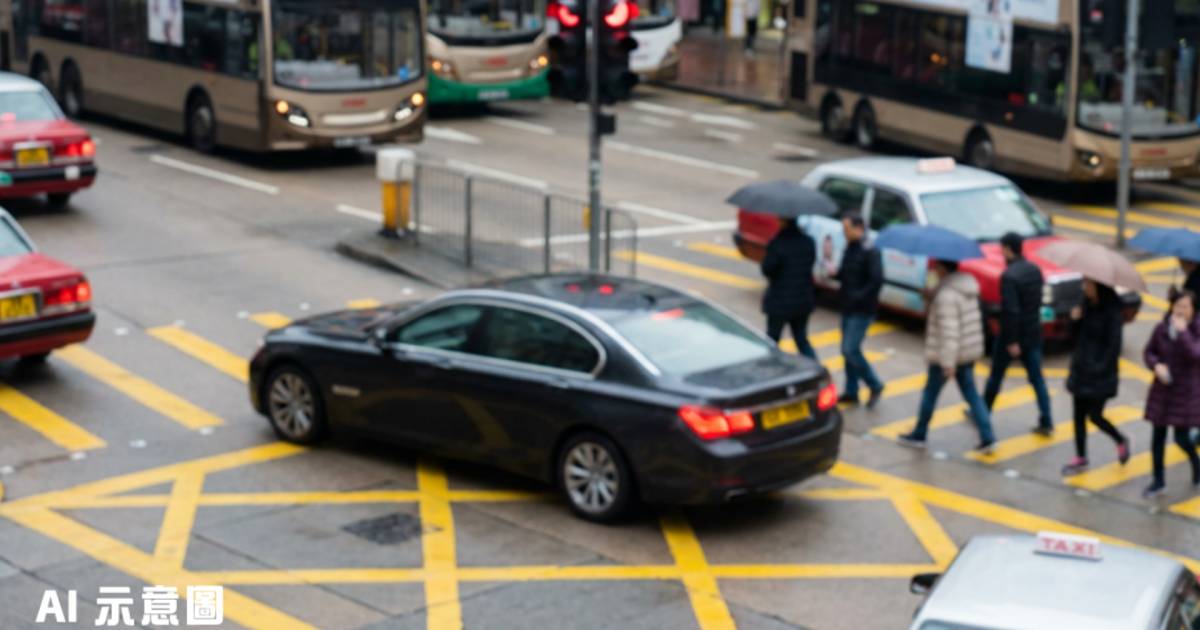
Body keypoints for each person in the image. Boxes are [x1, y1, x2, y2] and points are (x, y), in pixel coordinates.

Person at [898, 260, 993, 451]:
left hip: (947, 354)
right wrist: (930, 295)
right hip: (967, 351)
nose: (933, 271)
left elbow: (950, 331)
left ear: (942, 269)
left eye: (936, 268)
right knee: (972, 394)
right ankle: (988, 435)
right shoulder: (965, 286)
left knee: (930, 394)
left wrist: (948, 363)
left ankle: (919, 433)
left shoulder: (946, 296)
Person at [979, 233, 1054, 435]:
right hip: (1033, 332)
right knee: (1037, 378)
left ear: (1008, 249)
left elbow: (1012, 311)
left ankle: (983, 413)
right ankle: (1047, 419)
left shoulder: (1009, 276)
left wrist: (1012, 340)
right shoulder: (1034, 270)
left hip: (1011, 335)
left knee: (996, 376)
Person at [1062, 279, 1131, 475]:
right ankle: (1081, 456)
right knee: (1077, 416)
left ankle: (1119, 439)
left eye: (1088, 284)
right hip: (1081, 367)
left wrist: (1099, 368)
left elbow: (1113, 346)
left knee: (1095, 415)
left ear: (1099, 286)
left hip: (1100, 373)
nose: (1085, 287)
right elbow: (1073, 337)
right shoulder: (1085, 304)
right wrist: (1074, 320)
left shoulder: (1112, 311)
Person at [1141, 291, 1200, 497]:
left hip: (1185, 394)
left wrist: (1183, 333)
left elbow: (1195, 355)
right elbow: (1149, 352)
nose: (1180, 311)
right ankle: (1158, 480)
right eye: (1177, 306)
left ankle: (1196, 463)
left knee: (1182, 439)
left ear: (1194, 310)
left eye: (1185, 307)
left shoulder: (1195, 330)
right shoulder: (1161, 328)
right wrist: (1155, 365)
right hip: (1162, 392)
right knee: (1157, 437)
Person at [836, 211, 885, 408]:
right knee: (848, 351)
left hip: (862, 309)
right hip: (847, 306)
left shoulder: (870, 250)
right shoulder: (851, 247)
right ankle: (851, 390)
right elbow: (845, 273)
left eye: (847, 229)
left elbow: (876, 280)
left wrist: (858, 295)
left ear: (859, 228)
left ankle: (874, 384)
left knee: (850, 349)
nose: (844, 233)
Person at [760, 217, 817, 359]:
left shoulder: (778, 244)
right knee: (801, 339)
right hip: (802, 300)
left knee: (772, 341)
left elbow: (768, 269)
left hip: (780, 302)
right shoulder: (808, 242)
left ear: (783, 221)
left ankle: (772, 372)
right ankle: (816, 369)